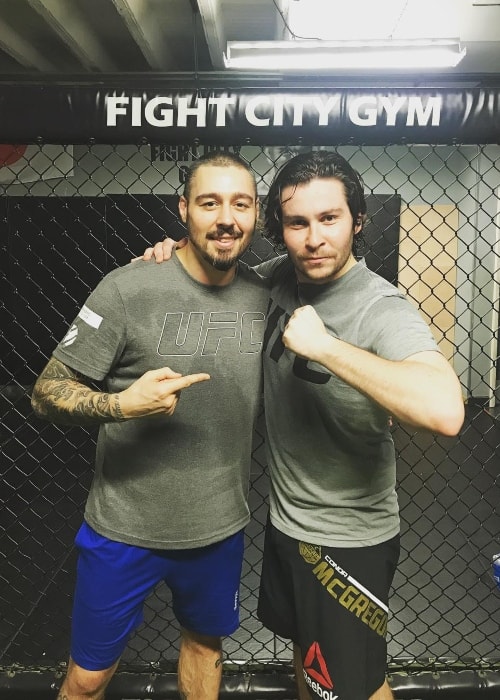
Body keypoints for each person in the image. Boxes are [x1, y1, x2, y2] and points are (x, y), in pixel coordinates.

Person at [144, 150, 464, 700]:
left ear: (358, 222)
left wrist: (326, 347)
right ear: (279, 230)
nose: (314, 238)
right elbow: (210, 271)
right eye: (297, 223)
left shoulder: (380, 307)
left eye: (329, 219)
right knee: (316, 671)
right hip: (288, 525)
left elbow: (445, 410)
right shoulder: (274, 281)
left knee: (351, 688)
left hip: (347, 538)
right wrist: (170, 254)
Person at [31, 151, 271, 700]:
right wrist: (120, 405)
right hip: (123, 529)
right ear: (183, 209)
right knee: (87, 679)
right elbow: (46, 391)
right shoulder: (126, 288)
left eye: (241, 203)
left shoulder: (266, 295)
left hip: (218, 529)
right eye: (210, 203)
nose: (226, 218)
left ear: (256, 214)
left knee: (205, 651)